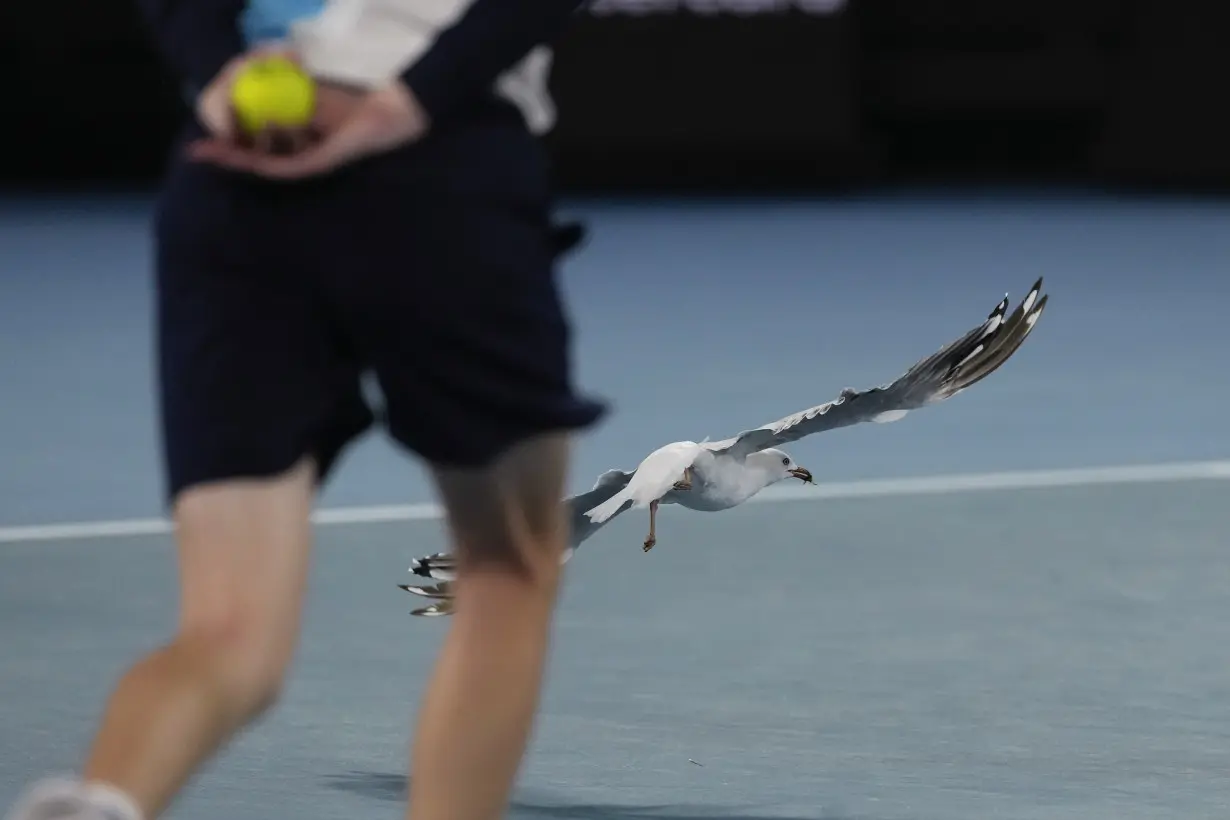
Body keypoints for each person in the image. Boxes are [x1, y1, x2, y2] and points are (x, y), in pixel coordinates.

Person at [4, 0, 604, 819]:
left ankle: (103, 800)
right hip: (444, 175)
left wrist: (218, 70)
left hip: (234, 174)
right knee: (507, 568)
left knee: (226, 639)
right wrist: (407, 103)